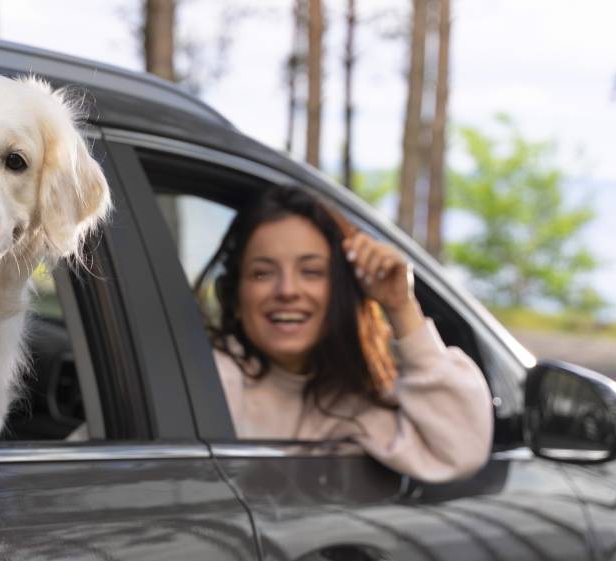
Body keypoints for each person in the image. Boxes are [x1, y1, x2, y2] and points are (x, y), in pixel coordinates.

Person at [197, 184, 492, 482]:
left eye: (311, 272)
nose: (287, 290)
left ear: (340, 291)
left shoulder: (355, 403)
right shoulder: (209, 381)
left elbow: (461, 451)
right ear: (235, 297)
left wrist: (401, 308)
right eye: (262, 273)